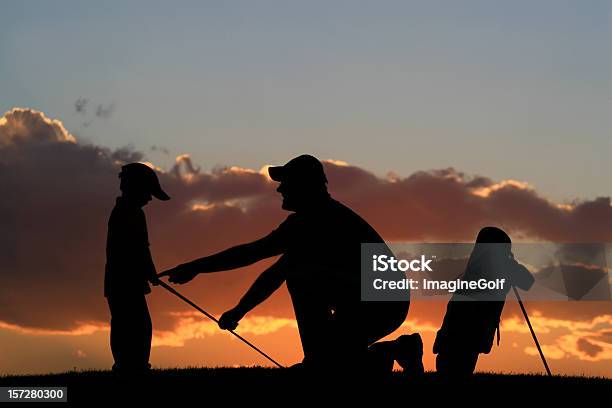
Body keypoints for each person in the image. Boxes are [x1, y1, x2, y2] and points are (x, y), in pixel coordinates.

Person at [160, 154, 416, 372]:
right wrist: (238, 310)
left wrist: (196, 268)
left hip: (380, 304)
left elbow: (253, 254)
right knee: (334, 367)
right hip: (381, 303)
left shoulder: (313, 220)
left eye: (286, 183)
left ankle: (319, 359)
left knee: (302, 279)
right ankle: (395, 350)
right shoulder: (314, 218)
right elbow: (274, 270)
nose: (280, 189)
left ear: (304, 186)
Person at [433, 227, 534, 376]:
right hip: (471, 329)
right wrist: (511, 264)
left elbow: (527, 282)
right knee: (460, 367)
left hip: (457, 327)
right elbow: (528, 282)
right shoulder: (500, 267)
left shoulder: (475, 266)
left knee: (452, 367)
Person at [104, 162, 170, 374]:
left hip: (127, 282)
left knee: (138, 325)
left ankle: (135, 367)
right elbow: (131, 250)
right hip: (122, 282)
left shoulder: (133, 213)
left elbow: (142, 248)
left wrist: (149, 271)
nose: (150, 199)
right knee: (130, 325)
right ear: (134, 188)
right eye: (148, 193)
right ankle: (129, 368)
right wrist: (146, 271)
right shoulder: (124, 213)